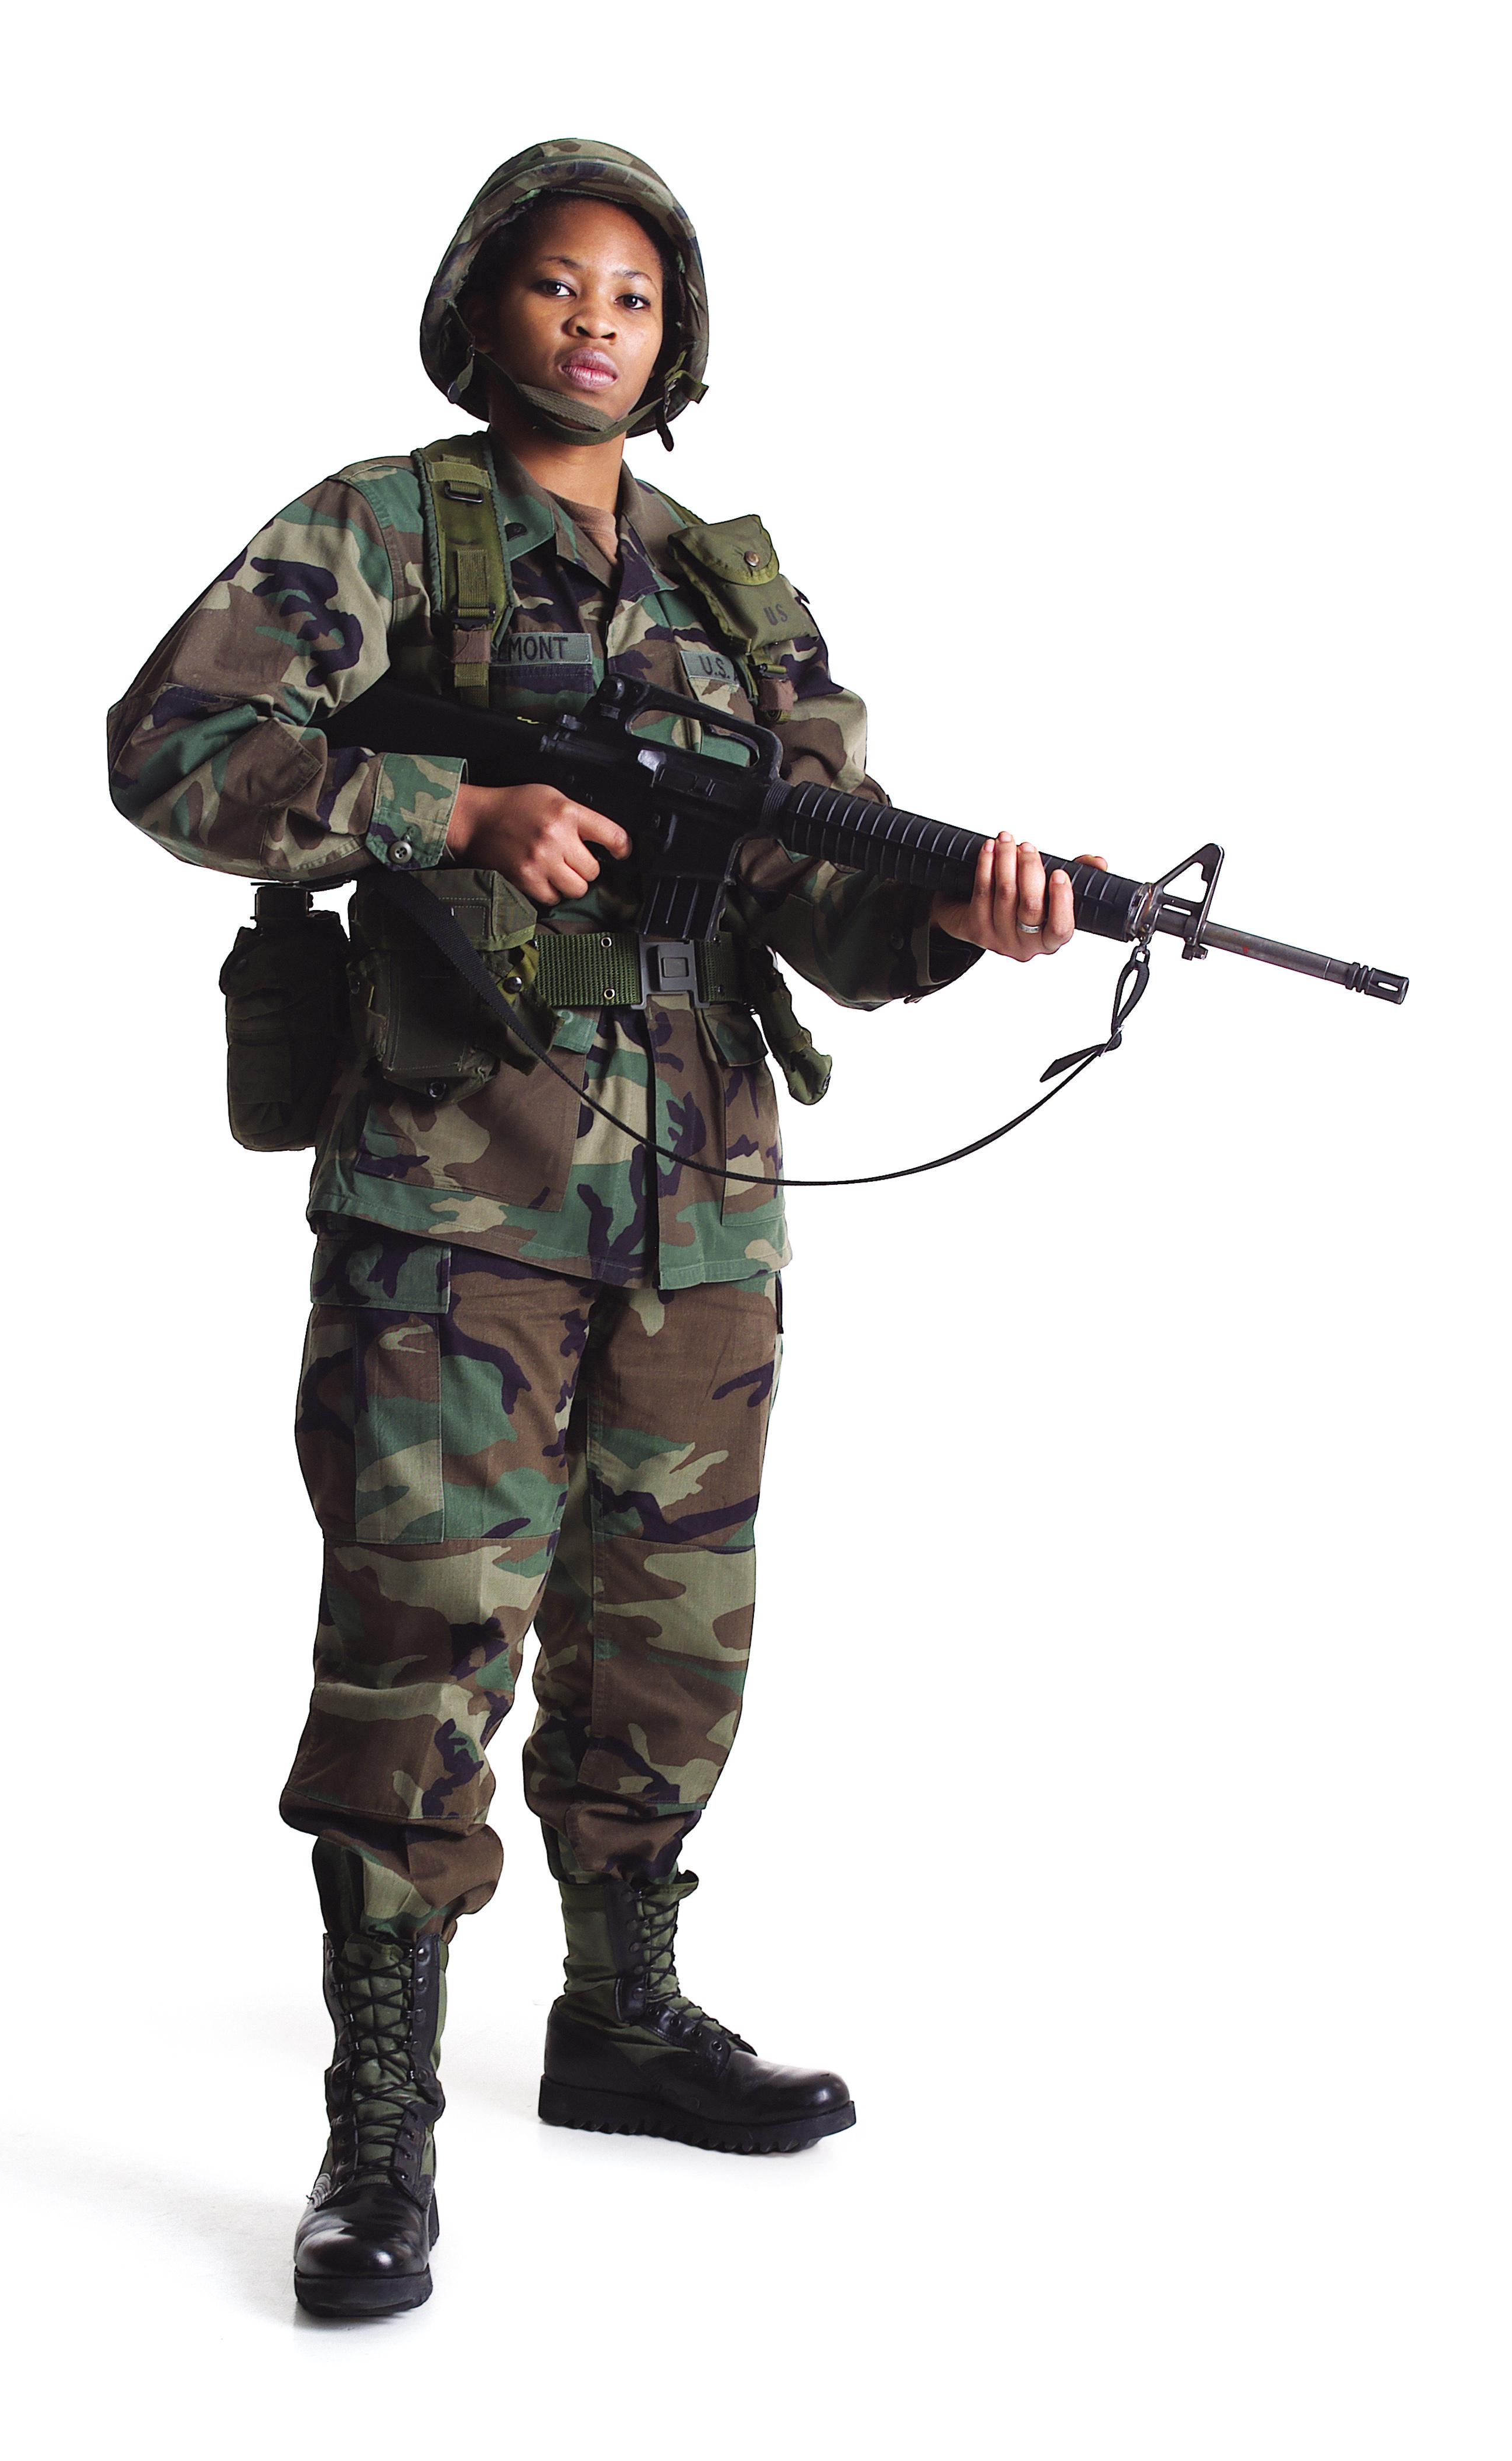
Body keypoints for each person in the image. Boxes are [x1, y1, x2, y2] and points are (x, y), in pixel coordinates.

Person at [105, 137, 1100, 2319]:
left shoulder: (736, 591)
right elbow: (175, 748)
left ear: (678, 341)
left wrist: (955, 910)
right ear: (486, 305)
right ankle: (381, 2123)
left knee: (669, 1624)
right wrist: (448, 805)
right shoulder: (388, 525)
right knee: (423, 1625)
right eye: (558, 287)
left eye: (634, 300)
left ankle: (620, 2016)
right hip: (460, 1177)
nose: (595, 324)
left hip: (701, 1195)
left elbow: (820, 900)